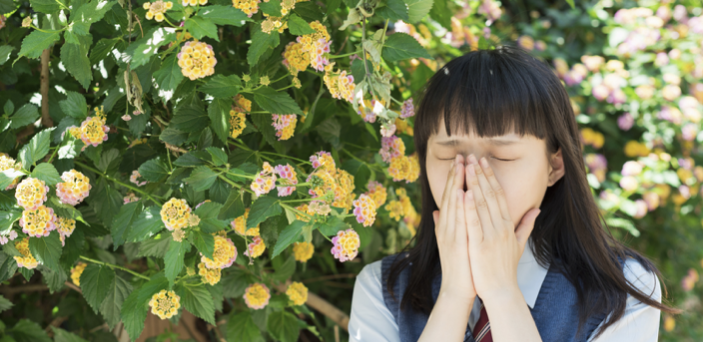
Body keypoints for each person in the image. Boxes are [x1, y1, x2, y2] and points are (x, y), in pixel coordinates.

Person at [347, 45, 681, 342]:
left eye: (503, 156)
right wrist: (453, 296)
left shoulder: (622, 292)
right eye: (449, 155)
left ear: (555, 165)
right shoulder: (382, 289)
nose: (473, 176)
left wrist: (501, 293)